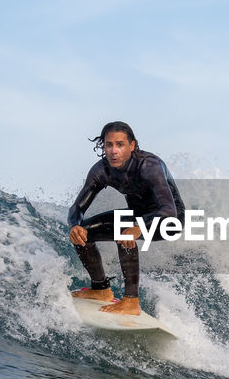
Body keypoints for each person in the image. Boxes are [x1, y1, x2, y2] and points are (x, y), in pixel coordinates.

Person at [67, 121, 185, 315]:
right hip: (137, 216)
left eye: (120, 144)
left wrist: (138, 227)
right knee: (83, 233)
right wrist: (74, 226)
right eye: (109, 145)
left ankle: (131, 302)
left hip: (169, 219)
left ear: (132, 145)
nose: (114, 151)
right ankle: (101, 289)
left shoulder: (149, 166)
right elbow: (77, 207)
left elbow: (168, 209)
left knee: (125, 233)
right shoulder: (101, 171)